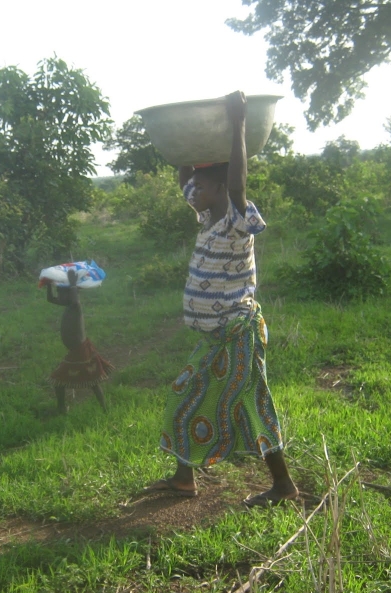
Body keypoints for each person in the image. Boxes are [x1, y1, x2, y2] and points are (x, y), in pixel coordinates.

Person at [144, 91, 298, 507]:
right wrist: (185, 148)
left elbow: (237, 183)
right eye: (192, 185)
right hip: (217, 337)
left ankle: (282, 485)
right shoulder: (207, 216)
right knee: (194, 395)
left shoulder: (235, 218)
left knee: (240, 403)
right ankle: (185, 478)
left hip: (237, 333)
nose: (191, 191)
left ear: (219, 189)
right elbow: (185, 177)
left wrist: (238, 123)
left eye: (200, 186)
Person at [46, 268, 113, 413]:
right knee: (91, 381)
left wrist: (73, 284)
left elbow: (75, 301)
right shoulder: (68, 304)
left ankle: (64, 408)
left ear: (71, 294)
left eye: (61, 293)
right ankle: (103, 408)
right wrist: (48, 284)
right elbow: (50, 299)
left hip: (80, 350)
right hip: (77, 350)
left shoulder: (75, 306)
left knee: (60, 379)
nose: (59, 297)